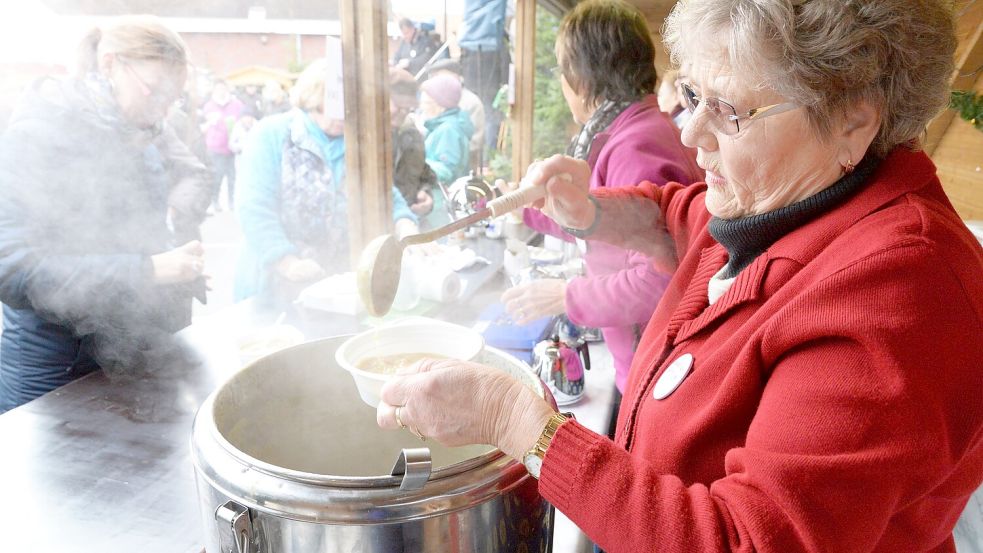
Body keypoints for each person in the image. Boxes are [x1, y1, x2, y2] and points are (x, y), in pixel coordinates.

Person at [375, 1, 983, 552]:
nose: (691, 136)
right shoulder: (783, 199)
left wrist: (517, 423)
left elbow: (747, 542)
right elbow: (681, 216)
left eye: (729, 111)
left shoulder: (900, 291)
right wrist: (590, 212)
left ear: (854, 118)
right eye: (692, 95)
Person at [500, 0, 702, 424]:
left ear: (581, 74)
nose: (561, 82)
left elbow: (663, 281)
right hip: (646, 364)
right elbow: (603, 223)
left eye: (560, 69)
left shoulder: (636, 147)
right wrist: (527, 212)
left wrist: (565, 295)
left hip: (654, 372)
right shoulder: (637, 127)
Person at [0, 16, 211, 412]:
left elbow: (138, 240)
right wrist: (148, 269)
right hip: (50, 370)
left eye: (173, 98)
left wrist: (179, 271)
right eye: (155, 91)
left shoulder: (140, 138)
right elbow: (12, 270)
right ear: (110, 65)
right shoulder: (36, 137)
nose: (163, 111)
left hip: (128, 357)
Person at [234, 59, 419, 305]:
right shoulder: (272, 134)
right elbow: (254, 207)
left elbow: (385, 193)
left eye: (350, 109)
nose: (341, 118)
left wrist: (406, 226)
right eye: (331, 107)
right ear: (312, 99)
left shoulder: (359, 141)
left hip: (334, 281)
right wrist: (286, 262)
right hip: (275, 283)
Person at [418, 73, 475, 228]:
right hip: (439, 203)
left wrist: (416, 164)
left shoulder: (448, 130)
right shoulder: (442, 126)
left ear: (440, 104)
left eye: (425, 102)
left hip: (441, 207)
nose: (421, 106)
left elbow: (446, 170)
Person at [459, 0, 510, 151]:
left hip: (473, 77)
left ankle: (481, 152)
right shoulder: (498, 38)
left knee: (480, 114)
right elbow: (505, 61)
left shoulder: (469, 39)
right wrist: (505, 82)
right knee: (490, 115)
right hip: (490, 78)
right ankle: (490, 153)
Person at [390, 68, 437, 217]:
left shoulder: (411, 134)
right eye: (398, 105)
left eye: (408, 107)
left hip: (411, 222)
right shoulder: (362, 140)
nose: (403, 112)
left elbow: (425, 175)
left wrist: (425, 194)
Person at [428, 58, 486, 169]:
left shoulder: (471, 101)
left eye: (439, 76)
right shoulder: (433, 98)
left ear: (455, 76)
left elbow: (475, 141)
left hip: (462, 166)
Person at [202, 80, 245, 212]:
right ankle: (215, 200)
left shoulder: (237, 104)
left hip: (233, 146)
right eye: (218, 89)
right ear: (214, 90)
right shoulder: (209, 106)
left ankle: (232, 201)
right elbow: (205, 123)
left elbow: (243, 119)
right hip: (216, 147)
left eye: (223, 88)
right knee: (217, 175)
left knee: (233, 176)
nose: (221, 91)